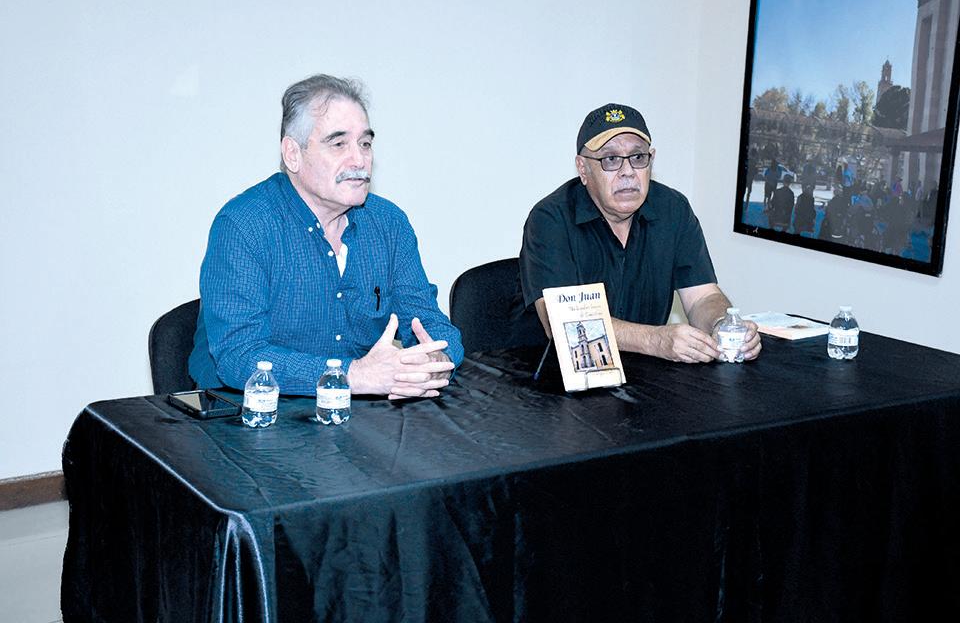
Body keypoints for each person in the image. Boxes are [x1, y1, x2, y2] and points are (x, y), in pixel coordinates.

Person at [189, 74, 462, 398]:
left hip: (357, 408)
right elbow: (239, 355)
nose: (359, 160)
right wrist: (352, 375)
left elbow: (429, 321)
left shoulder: (389, 223)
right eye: (338, 144)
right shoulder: (245, 225)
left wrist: (433, 360)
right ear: (293, 154)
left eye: (365, 144)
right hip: (251, 412)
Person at [519, 103, 761, 364]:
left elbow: (702, 297)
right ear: (583, 169)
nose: (628, 172)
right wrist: (655, 340)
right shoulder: (550, 219)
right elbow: (561, 322)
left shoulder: (673, 209)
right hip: (561, 374)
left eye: (637, 157)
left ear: (651, 160)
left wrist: (722, 324)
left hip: (649, 372)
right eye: (610, 159)